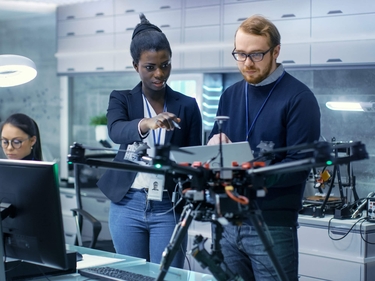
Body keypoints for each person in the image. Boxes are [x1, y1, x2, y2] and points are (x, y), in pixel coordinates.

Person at [207, 15, 321, 280]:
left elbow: (300, 167)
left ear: (276, 51)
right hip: (228, 221)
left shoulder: (299, 98)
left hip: (272, 225)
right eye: (240, 54)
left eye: (256, 54)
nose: (247, 63)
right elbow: (216, 146)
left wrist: (248, 171)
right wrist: (214, 146)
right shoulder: (230, 94)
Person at [97, 13, 202, 268]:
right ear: (136, 66)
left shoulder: (186, 106)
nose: (159, 73)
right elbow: (117, 130)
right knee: (130, 273)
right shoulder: (121, 99)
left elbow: (194, 158)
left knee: (167, 274)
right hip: (127, 204)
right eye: (150, 67)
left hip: (168, 205)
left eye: (165, 65)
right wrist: (147, 122)